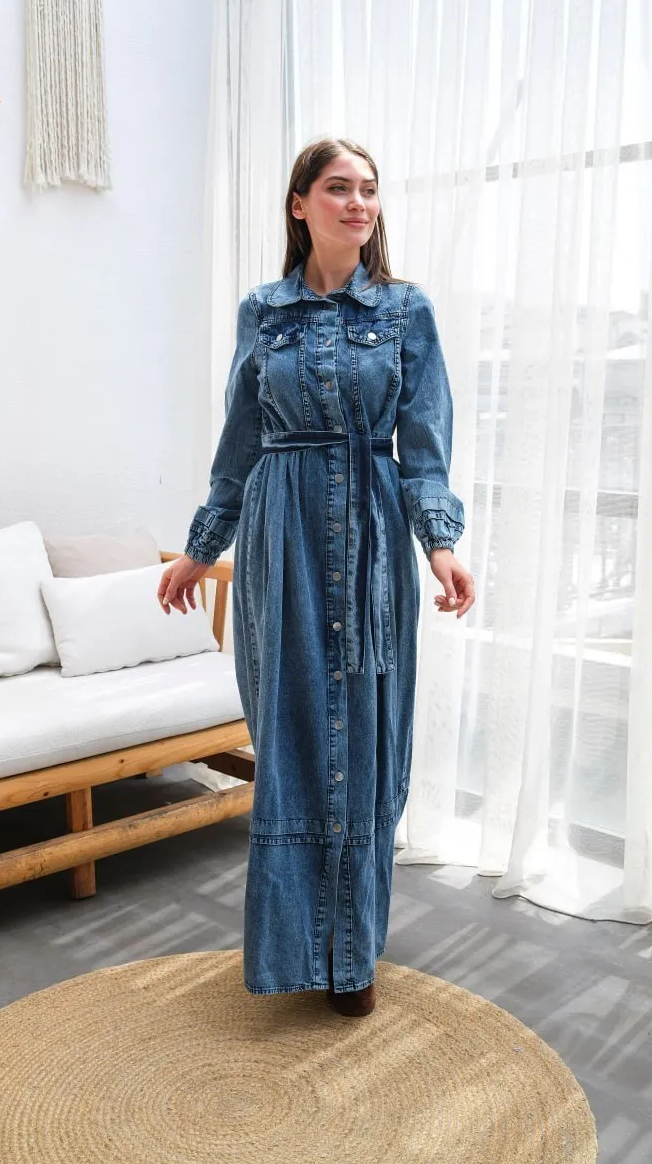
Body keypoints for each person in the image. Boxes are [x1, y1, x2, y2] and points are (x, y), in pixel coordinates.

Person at [157, 137, 475, 1016]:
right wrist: (201, 547)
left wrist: (439, 544)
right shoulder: (262, 312)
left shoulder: (406, 310)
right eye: (338, 188)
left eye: (368, 189)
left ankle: (351, 954)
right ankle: (300, 951)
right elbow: (239, 440)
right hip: (281, 538)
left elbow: (425, 445)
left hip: (369, 538)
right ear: (300, 204)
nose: (358, 203)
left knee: (365, 739)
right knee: (293, 740)